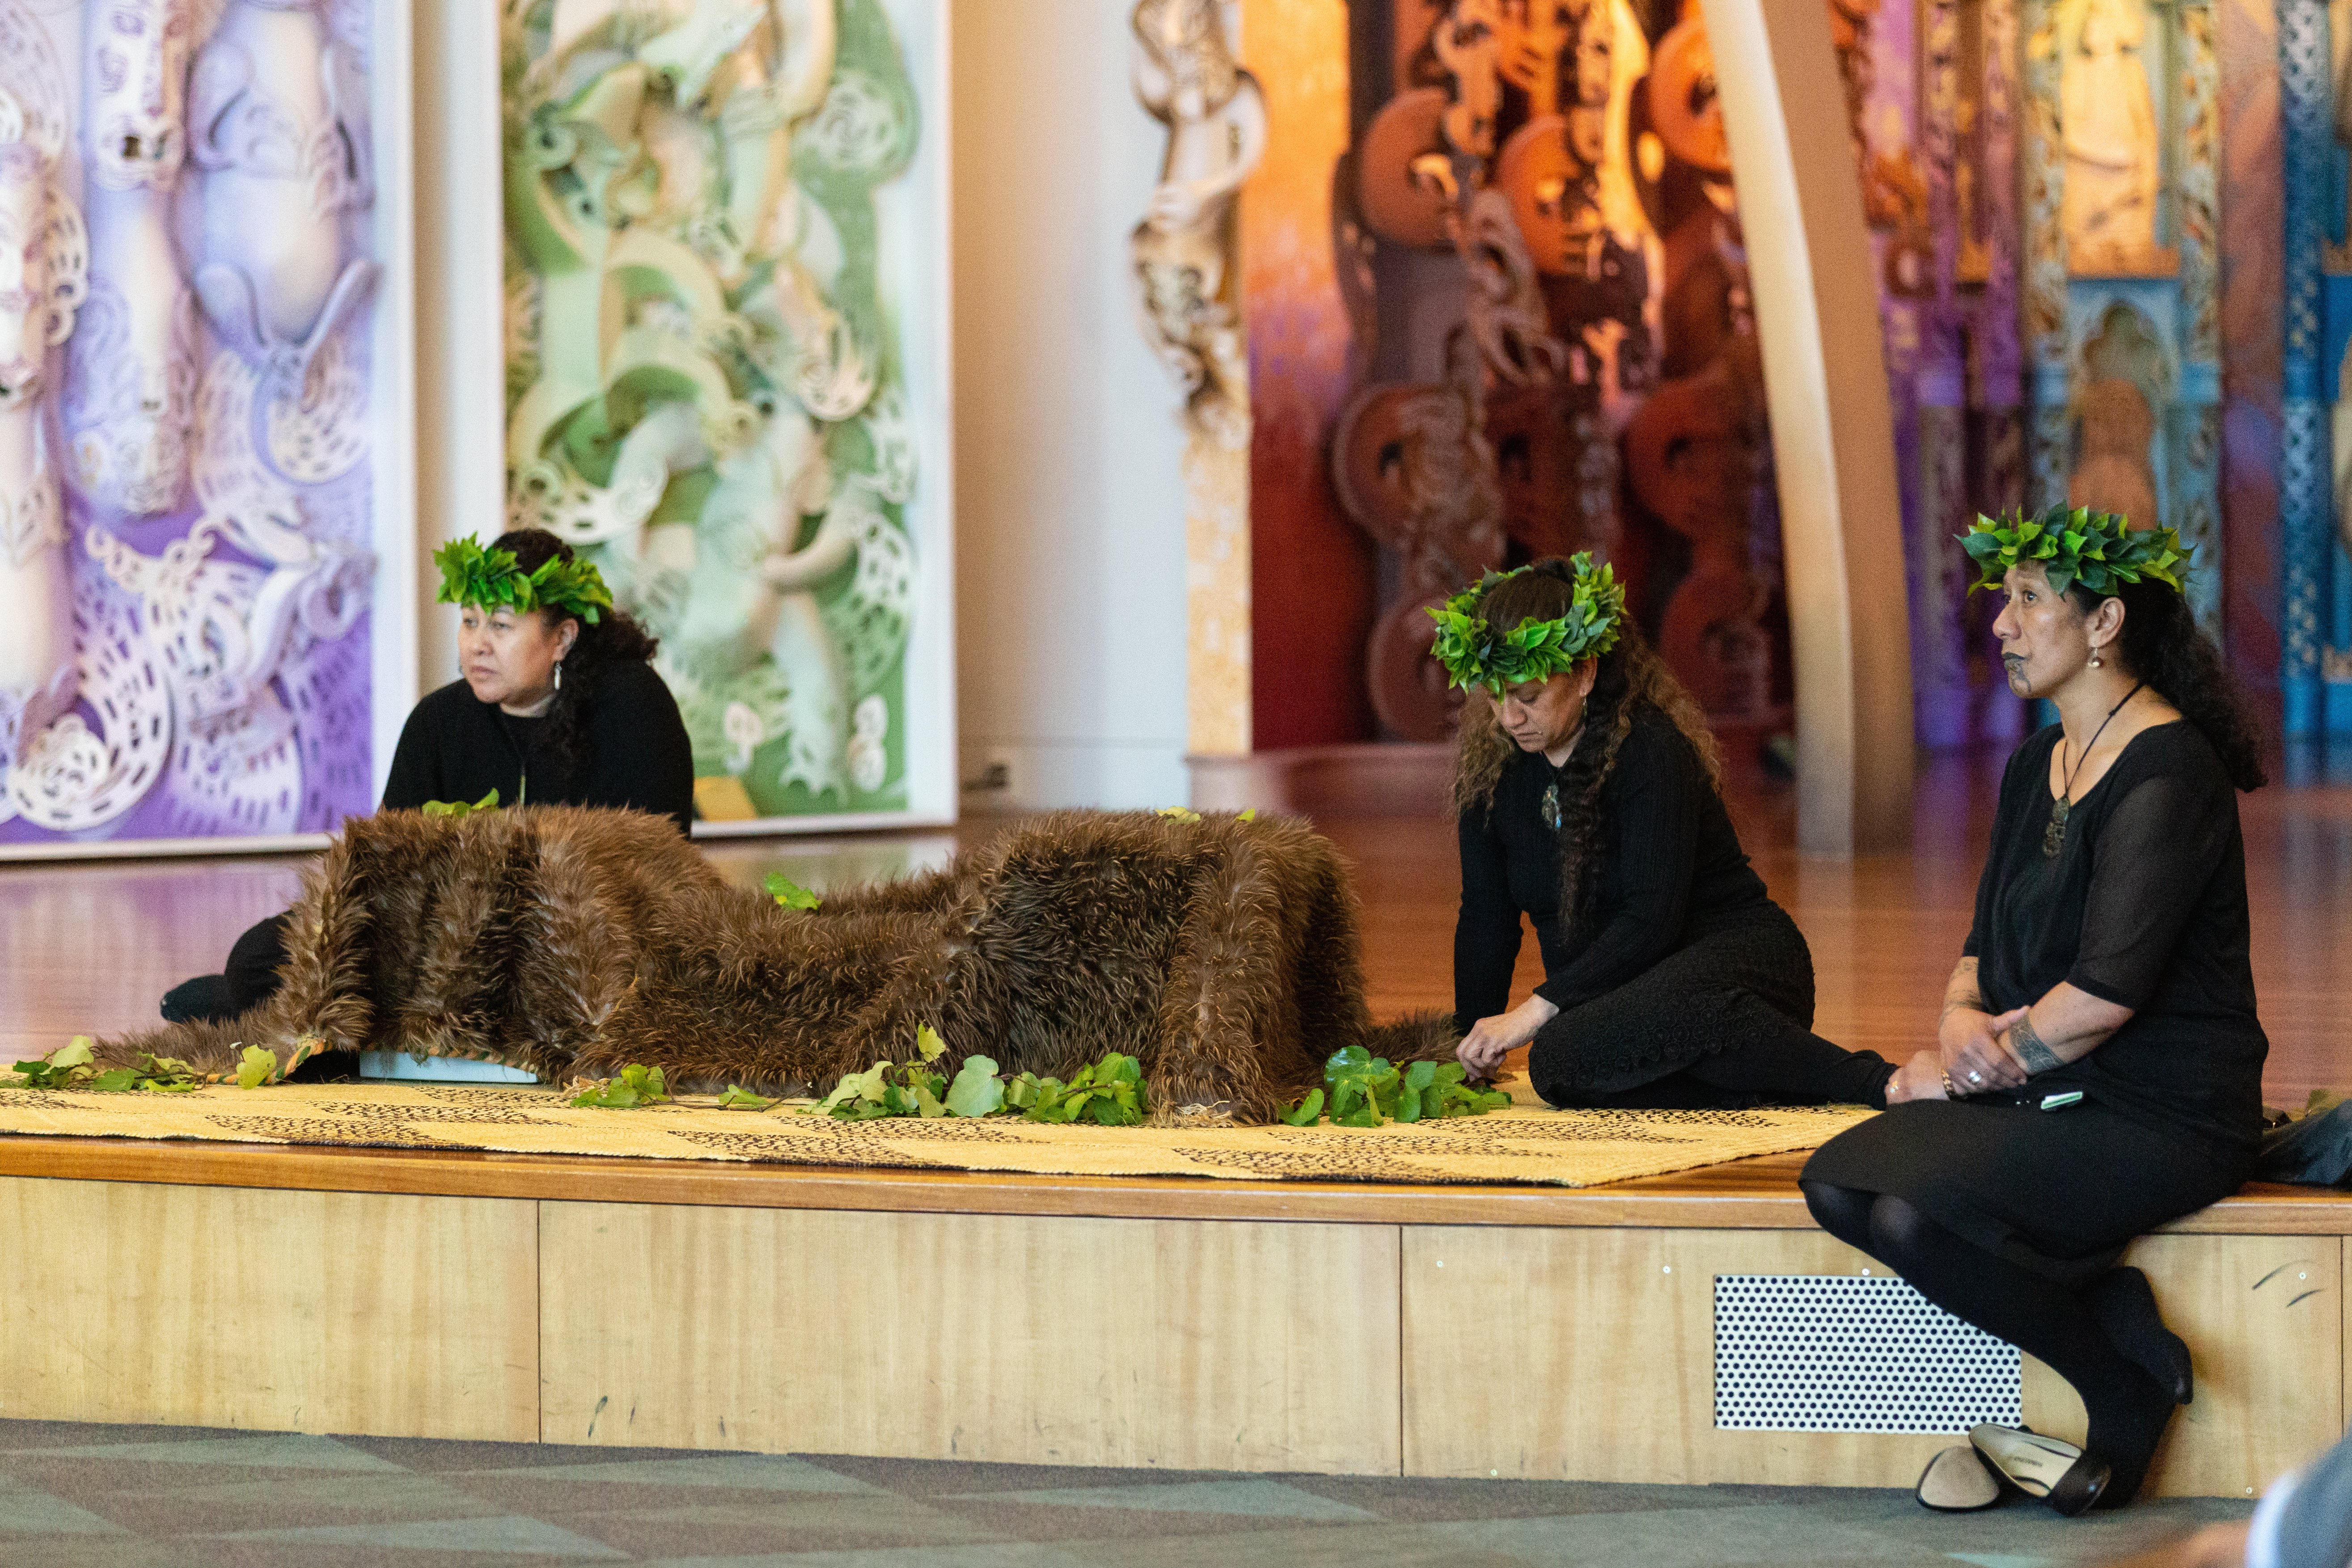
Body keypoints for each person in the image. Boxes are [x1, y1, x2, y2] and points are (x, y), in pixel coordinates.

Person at [1802, 505, 2267, 1515]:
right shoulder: (2034, 765)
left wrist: (1978, 1064)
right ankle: (2104, 1300)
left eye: (2023, 602)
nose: (2001, 626)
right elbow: (1981, 945)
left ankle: (2120, 1387)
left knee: (1915, 1215)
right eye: (2002, 602)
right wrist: (1958, 1018)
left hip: (2161, 1108)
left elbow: (2103, 996)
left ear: (2102, 624)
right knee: (1836, 1185)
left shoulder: (2168, 769)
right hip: (2050, 1089)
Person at [160, 529, 694, 1025]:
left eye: (502, 626)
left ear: (562, 639)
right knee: (260, 956)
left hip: (588, 942)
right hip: (454, 941)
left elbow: (662, 865)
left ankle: (291, 1020)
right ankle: (266, 1003)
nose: (478, 644)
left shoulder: (631, 707)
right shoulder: (441, 719)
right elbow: (384, 867)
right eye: (469, 621)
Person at [1443, 555, 1897, 1108]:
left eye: (1528, 697)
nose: (1509, 717)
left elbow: (1650, 918)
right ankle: (1750, 1078)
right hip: (1620, 999)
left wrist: (1531, 1012)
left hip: (1734, 967)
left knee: (1556, 1049)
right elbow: (1486, 917)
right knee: (1563, 1063)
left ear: (1584, 673)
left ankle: (1874, 1081)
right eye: (1494, 697)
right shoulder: (1491, 772)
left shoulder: (1650, 752)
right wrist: (1465, 1044)